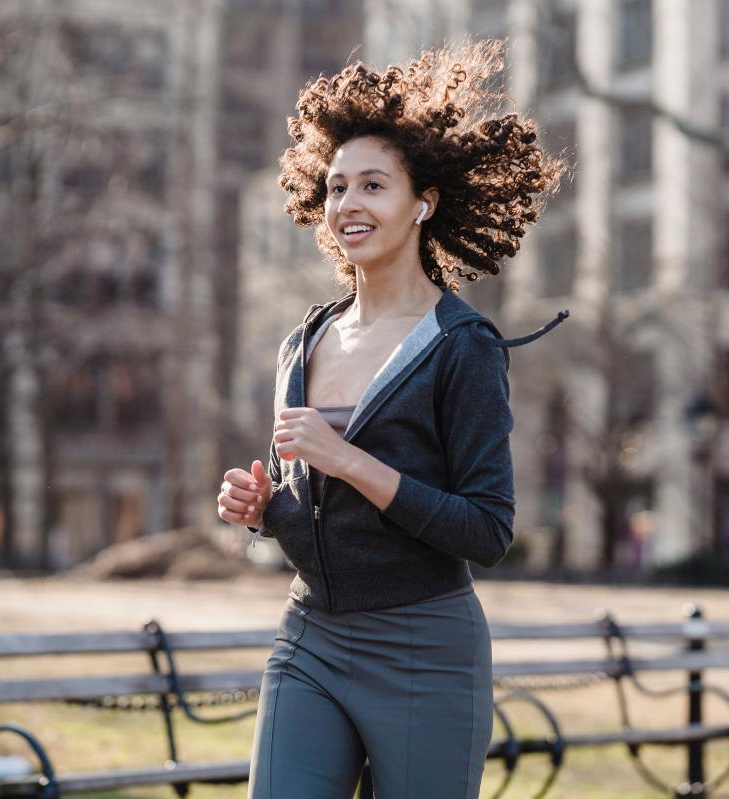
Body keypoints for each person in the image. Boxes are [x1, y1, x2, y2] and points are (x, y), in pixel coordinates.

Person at [215, 40, 566, 799]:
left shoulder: (460, 347)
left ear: (423, 202)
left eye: (374, 185)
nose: (349, 205)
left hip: (425, 650)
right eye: (337, 186)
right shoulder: (302, 342)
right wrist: (266, 509)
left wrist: (347, 461)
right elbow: (318, 511)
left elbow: (487, 529)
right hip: (311, 635)